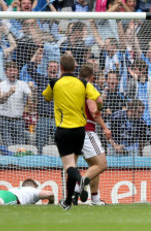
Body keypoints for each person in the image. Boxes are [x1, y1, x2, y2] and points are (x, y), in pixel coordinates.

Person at [42, 54, 100, 210]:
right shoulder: (82, 83)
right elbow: (98, 99)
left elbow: (46, 97)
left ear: (60, 68)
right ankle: (67, 202)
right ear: (75, 68)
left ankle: (81, 180)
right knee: (72, 165)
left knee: (69, 167)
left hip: (63, 130)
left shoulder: (55, 82)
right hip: (80, 130)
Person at [78, 64, 115, 206]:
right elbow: (94, 111)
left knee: (94, 166)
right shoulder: (88, 88)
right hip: (87, 131)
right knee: (102, 164)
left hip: (73, 130)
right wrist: (105, 128)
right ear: (92, 78)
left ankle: (95, 199)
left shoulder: (74, 89)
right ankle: (80, 183)